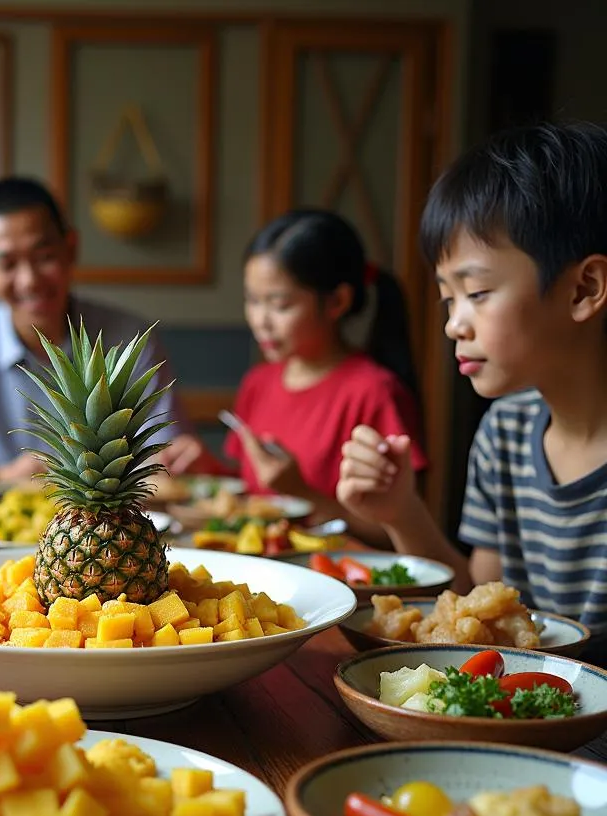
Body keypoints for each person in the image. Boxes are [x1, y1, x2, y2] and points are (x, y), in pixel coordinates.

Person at [337, 122, 607, 658]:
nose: (454, 325)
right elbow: (475, 605)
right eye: (448, 299)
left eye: (478, 293)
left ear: (584, 289)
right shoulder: (505, 432)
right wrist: (402, 513)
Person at [0, 176, 210, 481]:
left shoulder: (129, 340)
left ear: (71, 249)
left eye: (45, 257)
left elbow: (169, 451)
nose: (29, 280)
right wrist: (2, 476)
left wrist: (180, 456)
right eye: (8, 264)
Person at [222, 209, 426, 546]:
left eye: (280, 305)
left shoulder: (374, 392)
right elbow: (250, 491)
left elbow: (397, 533)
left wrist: (301, 492)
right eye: (252, 301)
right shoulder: (258, 382)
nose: (261, 320)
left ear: (337, 301)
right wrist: (203, 465)